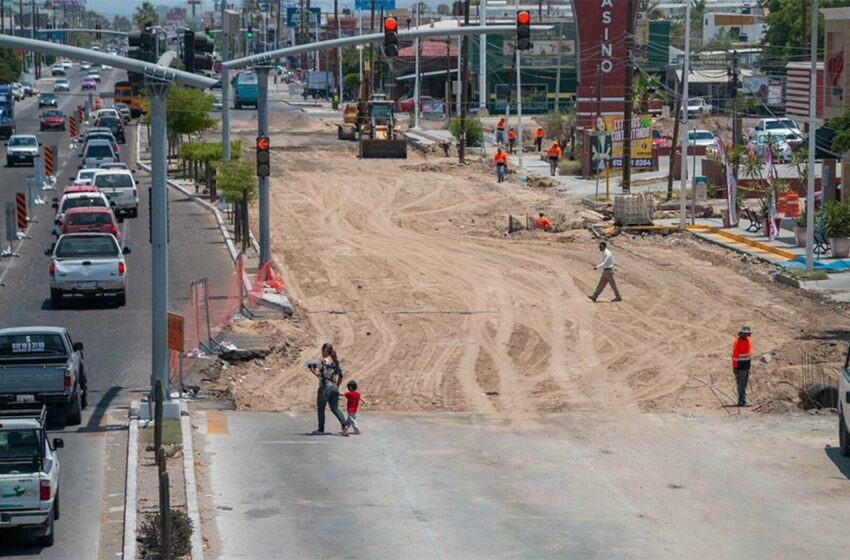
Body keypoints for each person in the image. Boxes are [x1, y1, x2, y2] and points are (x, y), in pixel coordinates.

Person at [308, 343, 348, 435]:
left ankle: (321, 429)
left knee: (321, 409)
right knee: (335, 409)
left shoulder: (322, 361)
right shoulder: (336, 363)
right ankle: (345, 425)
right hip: (334, 388)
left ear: (325, 350)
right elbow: (341, 376)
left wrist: (312, 369)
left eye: (322, 350)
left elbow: (321, 375)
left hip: (324, 388)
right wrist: (336, 387)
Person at [732, 326, 753, 407]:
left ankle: (743, 400)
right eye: (744, 333)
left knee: (744, 384)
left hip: (746, 365)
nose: (745, 335)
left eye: (747, 334)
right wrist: (735, 367)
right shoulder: (737, 342)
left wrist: (748, 367)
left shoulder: (748, 341)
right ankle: (741, 401)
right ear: (741, 333)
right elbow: (735, 355)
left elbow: (748, 354)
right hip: (740, 366)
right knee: (741, 384)